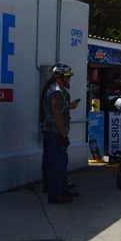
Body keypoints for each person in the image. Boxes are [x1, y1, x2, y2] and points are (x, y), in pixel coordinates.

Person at [41, 64, 80, 204]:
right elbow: (57, 116)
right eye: (68, 76)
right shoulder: (56, 92)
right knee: (55, 165)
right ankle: (54, 195)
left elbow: (59, 109)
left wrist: (71, 106)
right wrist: (64, 136)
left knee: (62, 163)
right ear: (61, 77)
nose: (69, 79)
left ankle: (62, 189)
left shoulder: (59, 90)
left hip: (56, 133)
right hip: (55, 133)